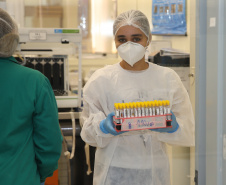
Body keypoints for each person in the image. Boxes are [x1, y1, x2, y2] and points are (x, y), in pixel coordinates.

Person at [80, 9, 195, 185]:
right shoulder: (101, 80)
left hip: (154, 170)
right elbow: (87, 132)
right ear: (115, 42)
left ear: (148, 39)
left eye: (136, 38)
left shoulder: (167, 78)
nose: (129, 45)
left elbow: (189, 130)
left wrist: (173, 126)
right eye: (122, 39)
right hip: (114, 170)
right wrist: (103, 127)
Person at [0, 8, 63, 185]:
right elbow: (49, 144)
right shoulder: (35, 81)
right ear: (11, 39)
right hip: (20, 178)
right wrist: (41, 175)